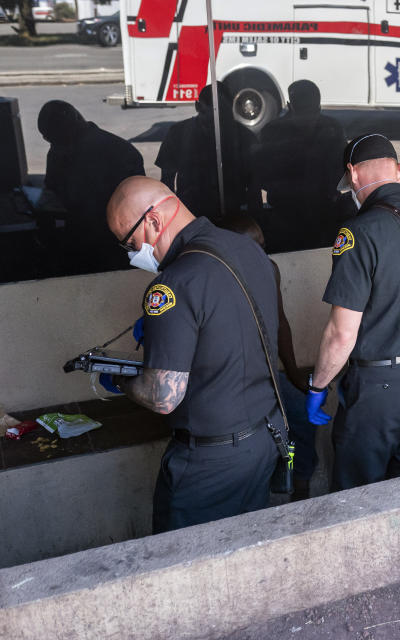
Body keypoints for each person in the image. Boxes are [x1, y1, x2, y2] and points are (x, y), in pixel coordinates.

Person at [102, 177, 280, 533]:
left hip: (209, 464)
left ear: (153, 221)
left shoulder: (172, 285)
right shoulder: (246, 249)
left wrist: (121, 381)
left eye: (130, 242)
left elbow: (163, 396)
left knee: (182, 572)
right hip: (263, 440)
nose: (131, 254)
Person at [305, 134, 400, 490]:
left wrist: (319, 385)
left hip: (378, 391)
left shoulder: (358, 233)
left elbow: (342, 333)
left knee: (358, 494)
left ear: (353, 175)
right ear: (399, 171)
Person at [220, 214, 319, 501]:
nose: (263, 254)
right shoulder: (215, 277)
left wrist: (294, 373)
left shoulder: (269, 269)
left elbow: (280, 324)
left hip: (268, 377)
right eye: (255, 248)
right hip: (232, 385)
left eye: (264, 246)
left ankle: (301, 489)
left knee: (302, 412)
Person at [37, 99, 145, 273]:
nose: (54, 145)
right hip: (83, 237)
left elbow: (135, 205)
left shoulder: (118, 152)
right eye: (50, 140)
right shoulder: (59, 150)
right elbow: (52, 188)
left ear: (71, 129)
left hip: (111, 242)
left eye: (56, 139)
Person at [254, 79, 354, 249]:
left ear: (289, 105)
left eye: (310, 111)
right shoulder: (274, 132)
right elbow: (261, 176)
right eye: (304, 111)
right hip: (287, 215)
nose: (307, 118)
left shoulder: (331, 129)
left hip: (321, 214)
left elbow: (343, 172)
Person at [155, 83, 259, 220]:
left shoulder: (244, 136)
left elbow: (254, 188)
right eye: (210, 112)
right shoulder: (178, 133)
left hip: (232, 216)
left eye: (221, 112)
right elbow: (166, 183)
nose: (216, 120)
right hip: (194, 215)